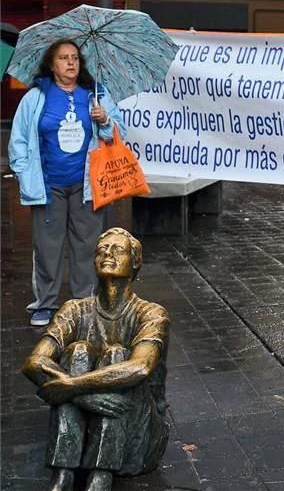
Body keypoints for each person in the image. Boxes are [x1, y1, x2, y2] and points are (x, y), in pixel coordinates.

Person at [22, 228, 170, 491]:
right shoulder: (75, 309)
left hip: (137, 431)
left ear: (136, 262)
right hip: (86, 424)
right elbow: (34, 362)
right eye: (101, 250)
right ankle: (64, 472)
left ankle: (100, 476)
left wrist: (70, 387)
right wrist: (84, 395)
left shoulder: (151, 314)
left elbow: (141, 367)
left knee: (117, 354)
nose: (107, 254)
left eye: (118, 250)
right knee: (78, 350)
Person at [8, 38, 126, 328]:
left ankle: (83, 302)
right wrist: (24, 173)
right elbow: (18, 140)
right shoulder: (35, 97)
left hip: (86, 184)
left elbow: (118, 133)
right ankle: (45, 304)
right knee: (47, 246)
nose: (71, 62)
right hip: (48, 186)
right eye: (63, 58)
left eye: (74, 57)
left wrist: (104, 119)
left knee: (86, 246)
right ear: (51, 64)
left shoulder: (95, 94)